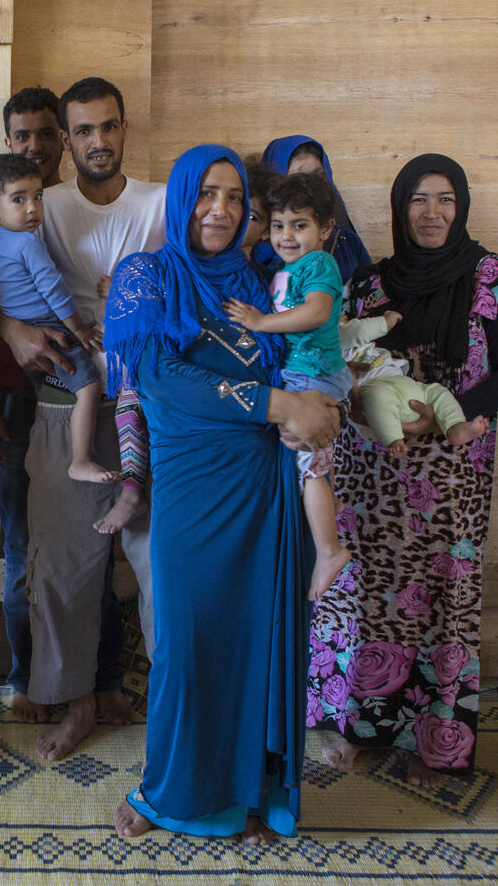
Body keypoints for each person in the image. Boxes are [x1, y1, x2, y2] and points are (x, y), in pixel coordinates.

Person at [105, 144, 340, 845]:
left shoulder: (266, 279)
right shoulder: (145, 275)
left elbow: (314, 353)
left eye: (235, 197)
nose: (221, 209)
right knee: (187, 643)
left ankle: (250, 793)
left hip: (268, 487)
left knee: (258, 642)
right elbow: (157, 376)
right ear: (182, 197)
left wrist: (328, 404)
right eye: (207, 193)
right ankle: (171, 791)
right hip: (193, 486)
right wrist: (277, 405)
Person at [307, 154, 498, 786]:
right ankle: (355, 727)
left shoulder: (495, 278)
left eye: (444, 199)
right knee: (363, 596)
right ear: (399, 207)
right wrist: (360, 402)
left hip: (452, 476)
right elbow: (335, 359)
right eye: (418, 199)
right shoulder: (366, 285)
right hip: (370, 473)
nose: (431, 213)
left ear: (460, 206)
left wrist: (446, 413)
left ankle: (433, 743)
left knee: (440, 602)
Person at [0, 76, 162, 761]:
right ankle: (77, 700)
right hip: (67, 407)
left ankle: (169, 711)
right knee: (63, 568)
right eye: (83, 129)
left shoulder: (161, 203)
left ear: (124, 128)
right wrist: (9, 328)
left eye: (108, 126)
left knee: (158, 571)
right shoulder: (40, 205)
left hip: (151, 408)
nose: (98, 140)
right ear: (67, 138)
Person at [0, 85, 67, 723]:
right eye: (21, 135)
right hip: (11, 394)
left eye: (45, 133)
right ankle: (25, 675)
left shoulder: (75, 203)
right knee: (21, 541)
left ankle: (82, 676)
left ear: (62, 139)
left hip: (73, 387)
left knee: (84, 537)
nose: (34, 145)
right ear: (8, 141)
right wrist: (8, 330)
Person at [223, 171, 355, 602]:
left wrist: (261, 322)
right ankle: (326, 512)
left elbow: (316, 312)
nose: (286, 236)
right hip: (302, 373)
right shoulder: (284, 268)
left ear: (326, 229)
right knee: (309, 462)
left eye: (300, 225)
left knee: (308, 463)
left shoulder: (319, 265)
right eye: (278, 225)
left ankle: (329, 551)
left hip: (312, 374)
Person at [0, 153, 110, 482]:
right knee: (89, 388)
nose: (32, 208)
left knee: (49, 399)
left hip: (23, 342)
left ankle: (52, 460)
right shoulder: (28, 245)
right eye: (19, 199)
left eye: (38, 197)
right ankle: (80, 460)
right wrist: (79, 328)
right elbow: (55, 292)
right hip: (51, 326)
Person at [338, 313, 488, 456]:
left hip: (404, 387)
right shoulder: (331, 340)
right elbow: (357, 331)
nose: (346, 316)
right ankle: (394, 440)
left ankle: (455, 426)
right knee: (377, 395)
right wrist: (386, 321)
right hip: (373, 395)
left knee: (437, 392)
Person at [261, 135, 372, 282]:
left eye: (319, 176)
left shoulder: (345, 241)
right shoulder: (258, 254)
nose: (312, 187)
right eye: (298, 178)